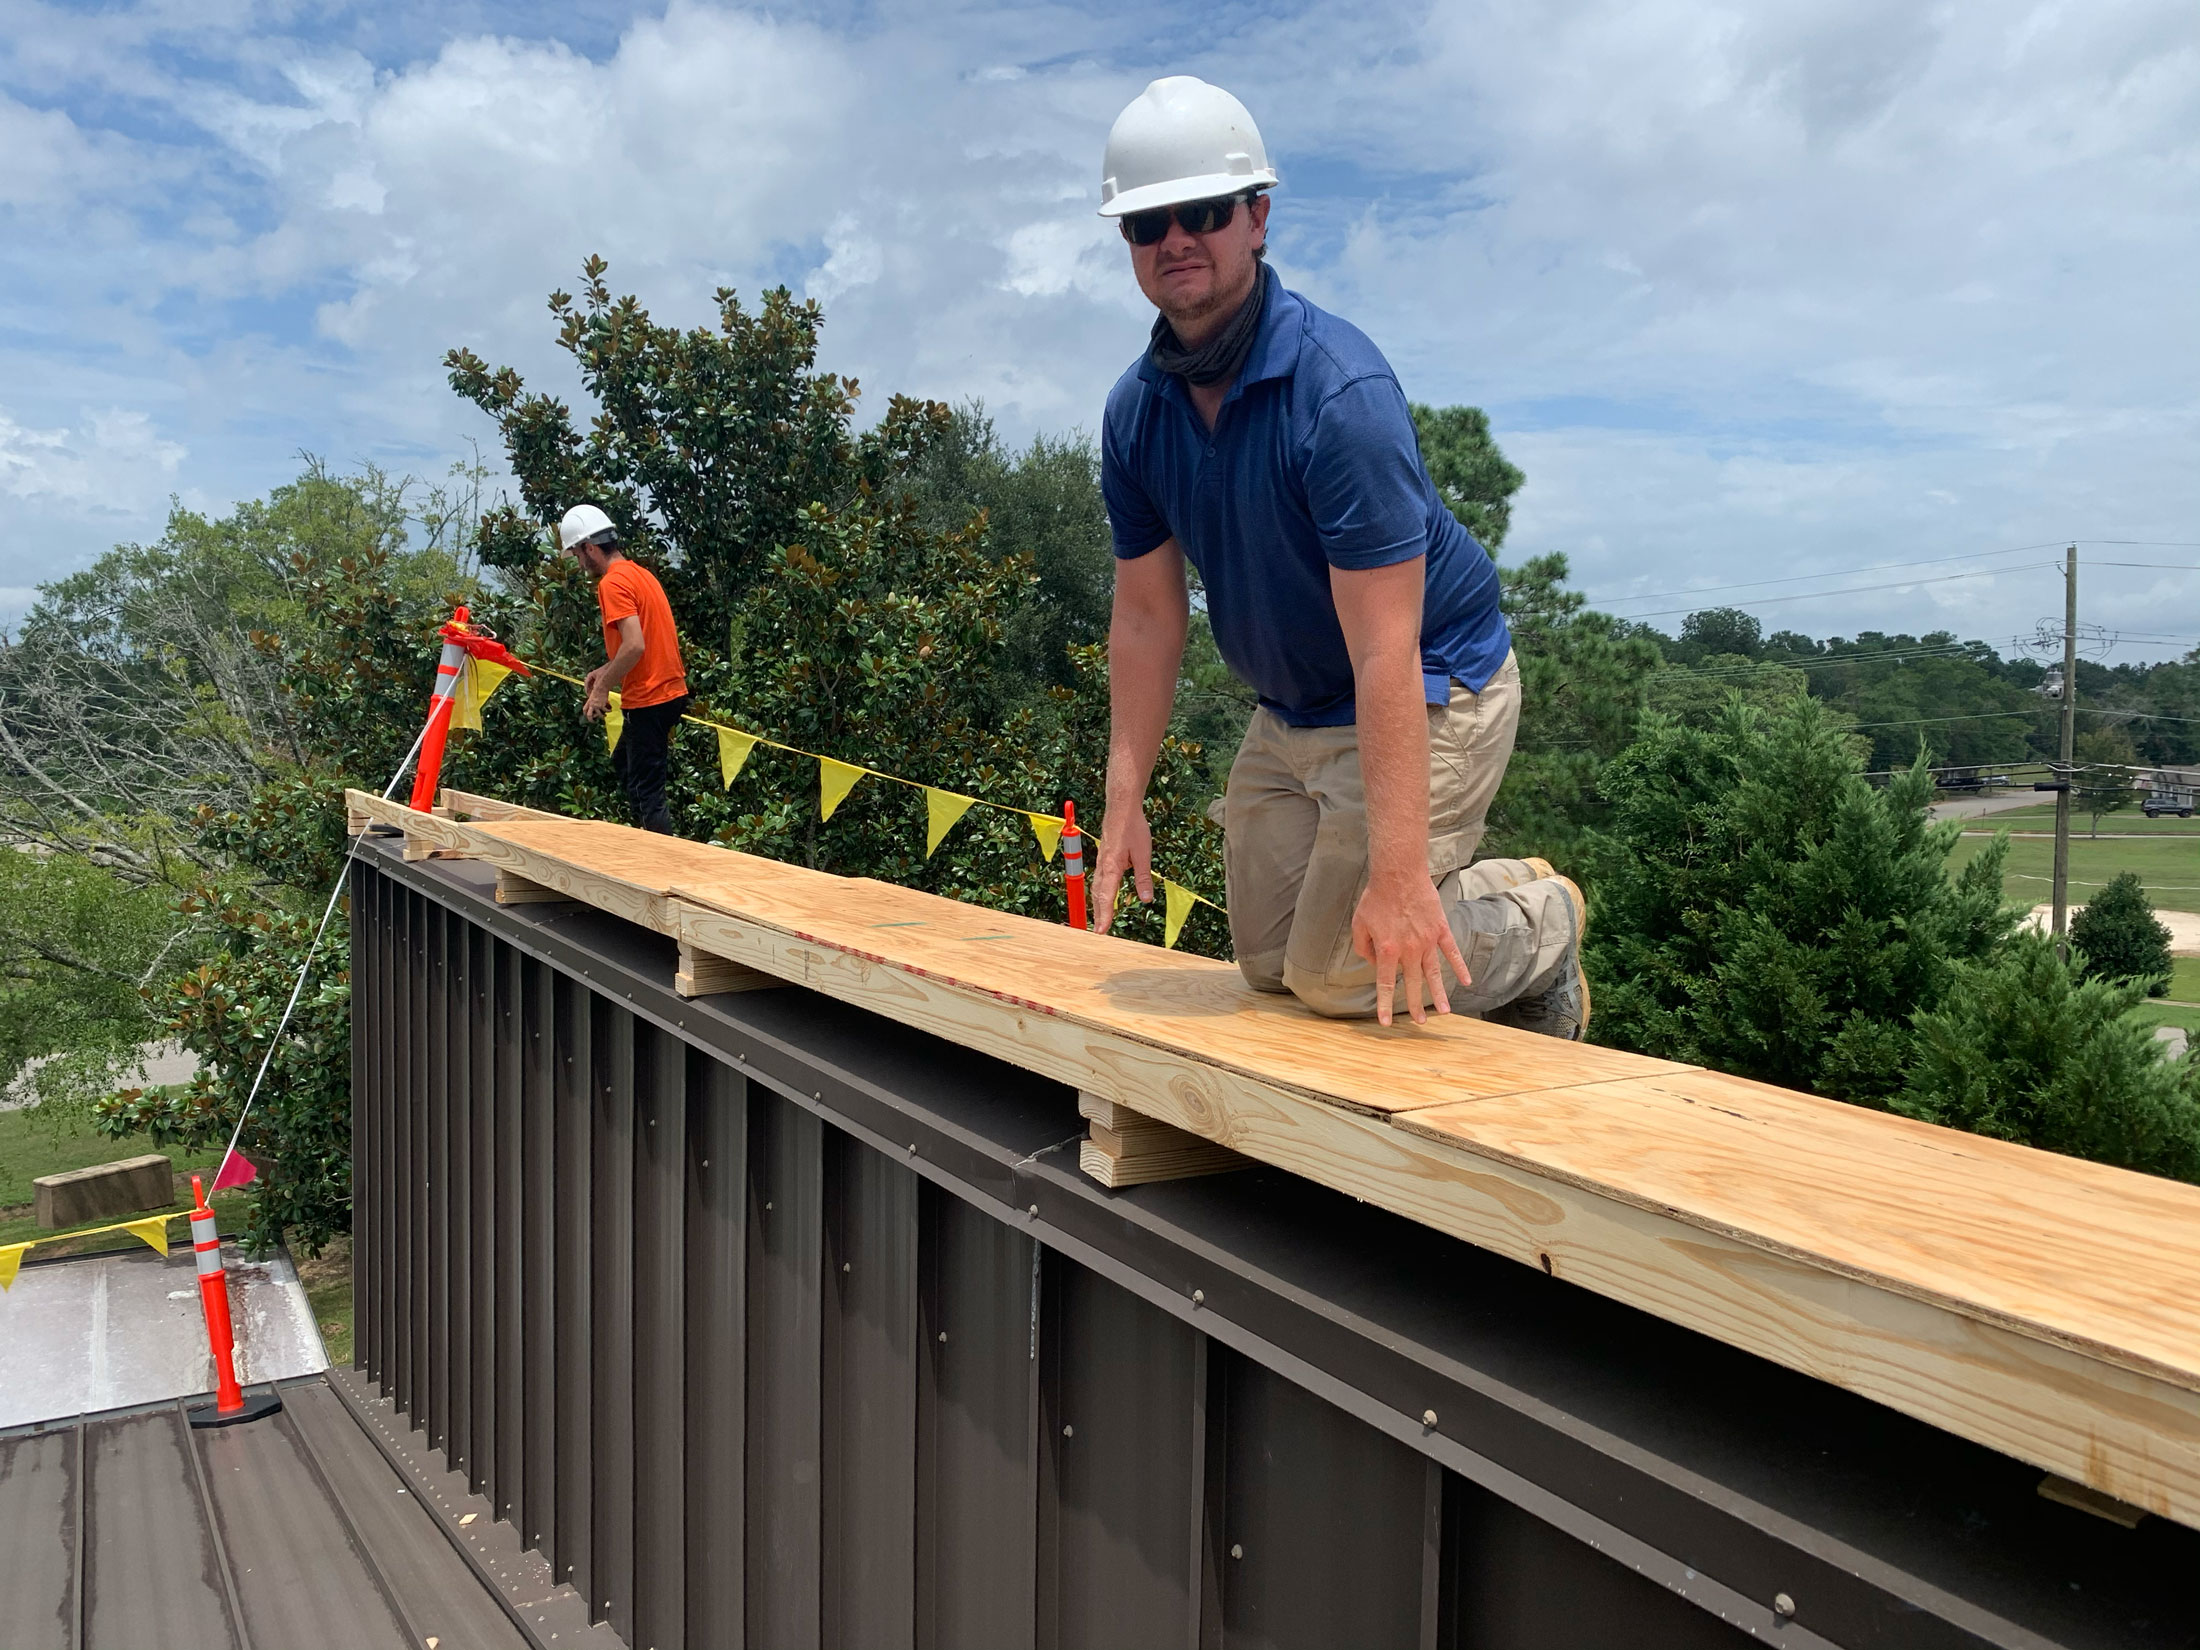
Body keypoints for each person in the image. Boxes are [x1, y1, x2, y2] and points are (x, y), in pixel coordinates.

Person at [1088, 77, 1587, 1036]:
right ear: (1129, 243)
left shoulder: (1337, 394)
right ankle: (1458, 887)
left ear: (1257, 218)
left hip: (1434, 682)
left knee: (1337, 976)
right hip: (1294, 711)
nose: (1176, 239)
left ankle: (1539, 924)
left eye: (1203, 212)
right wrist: (1124, 800)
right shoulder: (1136, 413)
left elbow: (1385, 649)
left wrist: (1400, 877)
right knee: (1268, 970)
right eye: (1149, 222)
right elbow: (1148, 620)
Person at [557, 504, 690, 835]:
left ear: (589, 547)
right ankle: (656, 852)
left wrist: (602, 689)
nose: (578, 562)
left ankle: (660, 870)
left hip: (650, 697)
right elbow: (643, 641)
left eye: (576, 553)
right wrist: (604, 671)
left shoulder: (612, 583)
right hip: (669, 692)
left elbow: (634, 646)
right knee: (627, 766)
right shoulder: (640, 574)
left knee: (646, 796)